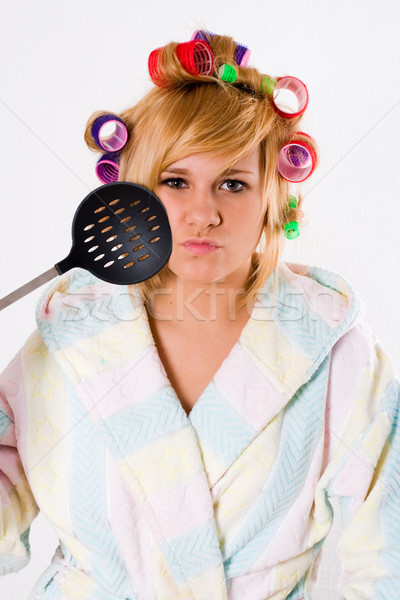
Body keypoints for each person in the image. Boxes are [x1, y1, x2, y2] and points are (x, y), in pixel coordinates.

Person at [0, 29, 399, 600]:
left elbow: (389, 553)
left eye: (233, 184)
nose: (202, 213)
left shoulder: (337, 354)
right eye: (176, 181)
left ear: (272, 200)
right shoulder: (72, 336)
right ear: (134, 192)